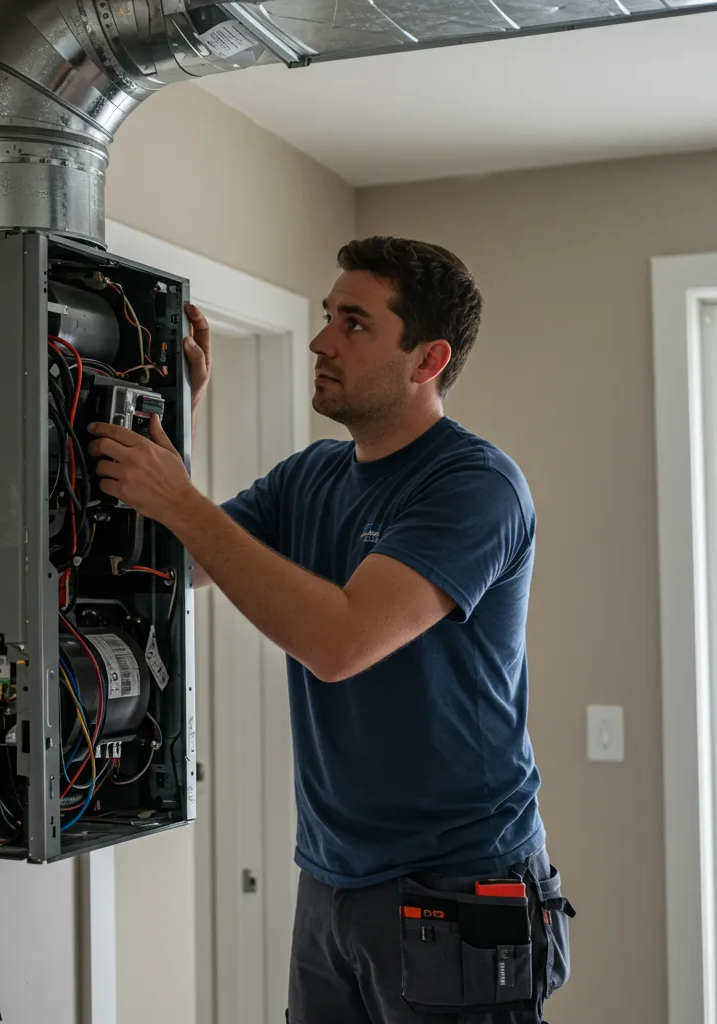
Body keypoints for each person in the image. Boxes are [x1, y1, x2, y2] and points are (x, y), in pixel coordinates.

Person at [87, 235, 573, 1023]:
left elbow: (341, 644)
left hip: (455, 885)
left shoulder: (475, 486)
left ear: (427, 359)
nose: (320, 342)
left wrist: (180, 500)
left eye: (354, 323)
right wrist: (182, 409)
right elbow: (184, 564)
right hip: (332, 878)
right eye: (325, 318)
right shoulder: (310, 477)